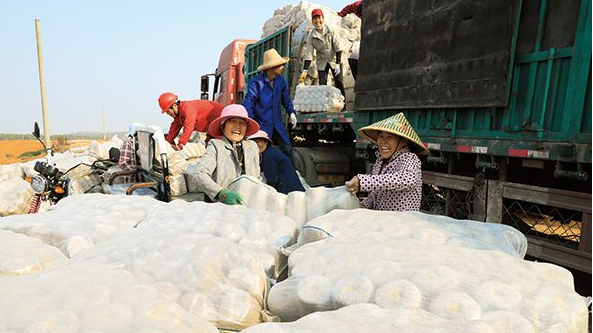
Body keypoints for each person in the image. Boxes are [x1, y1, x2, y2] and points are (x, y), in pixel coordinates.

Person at [345, 113, 428, 211]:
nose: (383, 141)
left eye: (389, 137)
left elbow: (406, 179)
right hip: (383, 220)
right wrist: (362, 205)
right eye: (381, 136)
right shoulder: (380, 162)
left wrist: (363, 181)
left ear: (404, 141)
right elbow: (376, 194)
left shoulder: (409, 158)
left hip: (402, 222)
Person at [194, 104, 261, 205]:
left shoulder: (252, 147)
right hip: (223, 206)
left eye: (242, 122)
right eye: (233, 121)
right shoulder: (216, 146)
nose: (237, 126)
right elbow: (199, 173)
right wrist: (221, 193)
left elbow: (257, 176)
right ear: (223, 126)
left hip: (249, 203)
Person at [243, 48, 297, 164]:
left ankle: (293, 174)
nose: (283, 67)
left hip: (277, 125)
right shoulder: (257, 83)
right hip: (262, 125)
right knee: (261, 153)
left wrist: (291, 112)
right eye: (280, 65)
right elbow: (249, 103)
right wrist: (251, 124)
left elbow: (286, 99)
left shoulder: (281, 81)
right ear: (272, 67)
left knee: (287, 149)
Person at [300, 8, 346, 98]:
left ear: (323, 19)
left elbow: (338, 47)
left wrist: (337, 64)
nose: (318, 21)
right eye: (315, 19)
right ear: (312, 21)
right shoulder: (311, 35)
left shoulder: (330, 30)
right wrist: (304, 71)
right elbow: (309, 54)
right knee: (322, 85)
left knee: (339, 82)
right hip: (322, 61)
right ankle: (324, 104)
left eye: (319, 18)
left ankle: (344, 104)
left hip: (334, 59)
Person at [158, 92, 224, 150]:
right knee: (210, 145)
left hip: (220, 120)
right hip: (211, 127)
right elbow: (173, 130)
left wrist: (181, 144)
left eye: (168, 111)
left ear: (174, 106)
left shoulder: (187, 108)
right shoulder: (178, 117)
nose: (168, 114)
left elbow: (189, 126)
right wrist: (166, 143)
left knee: (218, 145)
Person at [249, 130, 305, 194]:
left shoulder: (269, 156)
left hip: (289, 193)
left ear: (265, 142)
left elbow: (272, 179)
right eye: (253, 143)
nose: (255, 145)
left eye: (257, 142)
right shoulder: (271, 152)